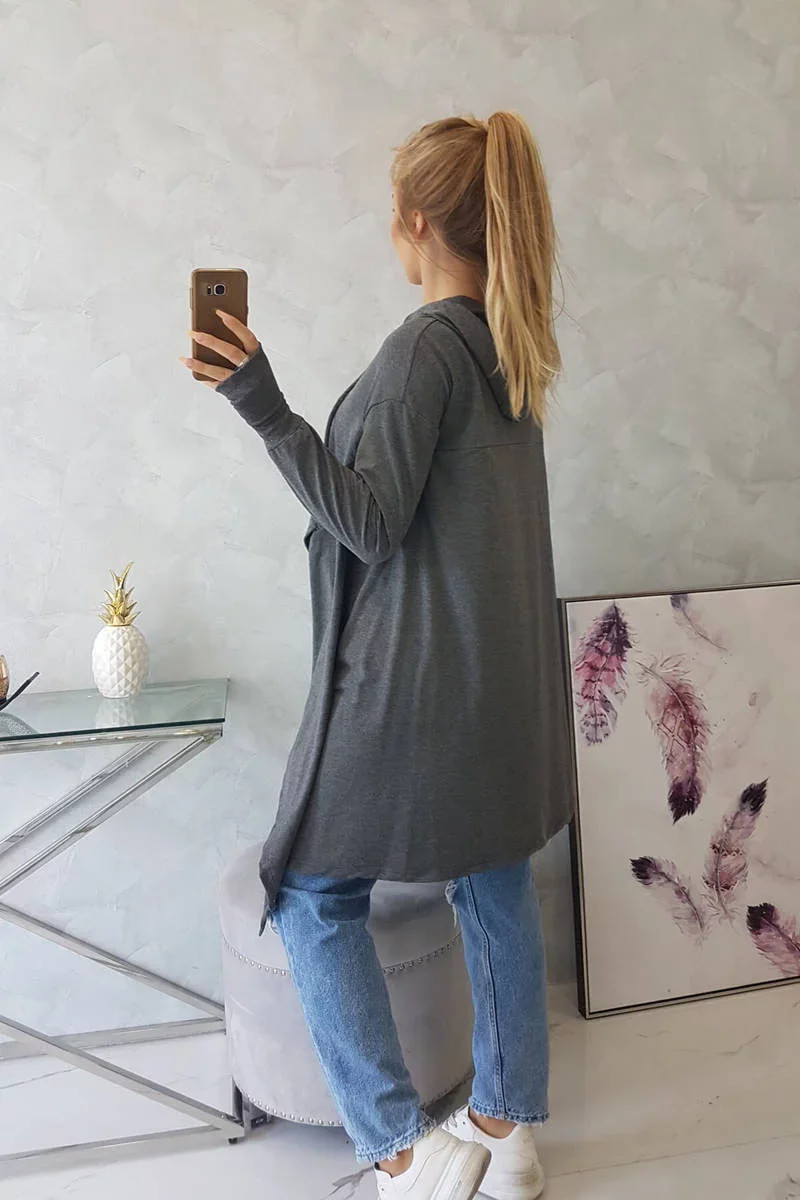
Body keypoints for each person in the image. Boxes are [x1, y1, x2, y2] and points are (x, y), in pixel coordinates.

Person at [180, 110, 574, 1200]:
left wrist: (261, 404)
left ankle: (402, 1152)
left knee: (308, 894)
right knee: (492, 878)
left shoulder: (424, 349)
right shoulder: (508, 347)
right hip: (498, 684)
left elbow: (367, 522)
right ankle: (504, 1131)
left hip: (415, 684)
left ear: (416, 224)